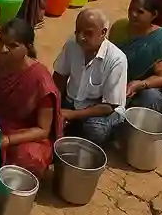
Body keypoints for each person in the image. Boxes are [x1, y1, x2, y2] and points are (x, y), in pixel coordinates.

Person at [0, 19, 61, 179]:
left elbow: (43, 130)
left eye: (13, 46)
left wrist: (7, 139)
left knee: (28, 158)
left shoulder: (40, 80)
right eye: (3, 43)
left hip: (23, 133)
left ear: (28, 47)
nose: (6, 49)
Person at [53, 9, 127, 146]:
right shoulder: (72, 45)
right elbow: (59, 77)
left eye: (87, 33)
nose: (81, 37)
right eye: (77, 32)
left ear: (103, 33)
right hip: (72, 102)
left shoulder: (117, 59)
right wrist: (55, 106)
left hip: (101, 111)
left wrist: (70, 115)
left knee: (95, 130)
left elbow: (109, 106)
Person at [109, 0, 162, 112]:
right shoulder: (119, 27)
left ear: (154, 15)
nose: (133, 14)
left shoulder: (160, 38)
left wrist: (140, 84)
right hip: (115, 83)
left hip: (141, 89)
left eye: (140, 12)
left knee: (152, 97)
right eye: (131, 9)